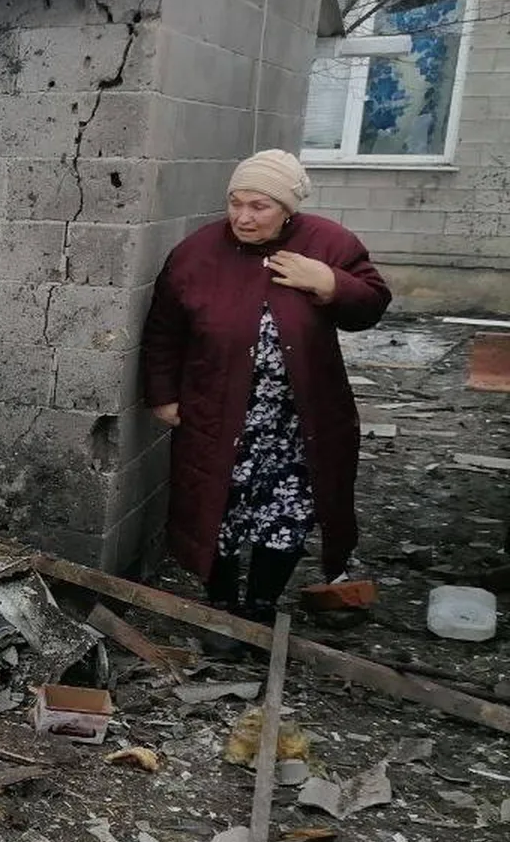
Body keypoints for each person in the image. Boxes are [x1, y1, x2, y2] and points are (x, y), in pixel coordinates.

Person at [139, 149, 391, 626]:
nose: (243, 217)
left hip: (298, 421)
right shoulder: (196, 254)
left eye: (260, 206)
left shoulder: (328, 242)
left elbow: (372, 304)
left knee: (287, 514)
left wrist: (330, 283)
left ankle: (260, 605)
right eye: (235, 203)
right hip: (219, 413)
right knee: (218, 508)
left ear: (288, 208)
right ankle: (222, 605)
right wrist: (164, 395)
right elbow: (163, 331)